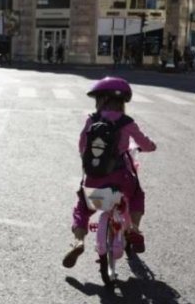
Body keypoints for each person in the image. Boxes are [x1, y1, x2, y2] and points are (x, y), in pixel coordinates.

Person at [62, 77, 157, 268]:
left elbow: (82, 145)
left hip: (94, 181)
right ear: (122, 102)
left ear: (101, 100)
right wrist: (151, 146)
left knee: (83, 207)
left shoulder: (92, 119)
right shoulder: (126, 122)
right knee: (137, 194)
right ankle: (134, 228)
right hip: (120, 181)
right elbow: (144, 143)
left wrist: (90, 159)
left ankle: (78, 241)